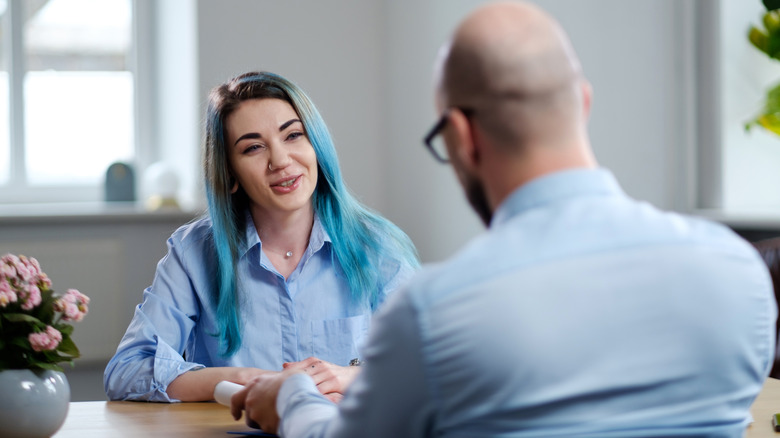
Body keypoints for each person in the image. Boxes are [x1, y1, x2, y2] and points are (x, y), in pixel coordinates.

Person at [229, 2, 777, 437]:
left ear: (462, 138)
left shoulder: (434, 313)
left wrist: (291, 399)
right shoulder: (739, 274)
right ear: (582, 103)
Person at [103, 71, 419, 402]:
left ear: (316, 146)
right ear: (231, 173)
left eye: (293, 135)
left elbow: (434, 363)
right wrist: (250, 380)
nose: (281, 161)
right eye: (253, 147)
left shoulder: (378, 245)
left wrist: (351, 376)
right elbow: (127, 371)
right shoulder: (192, 252)